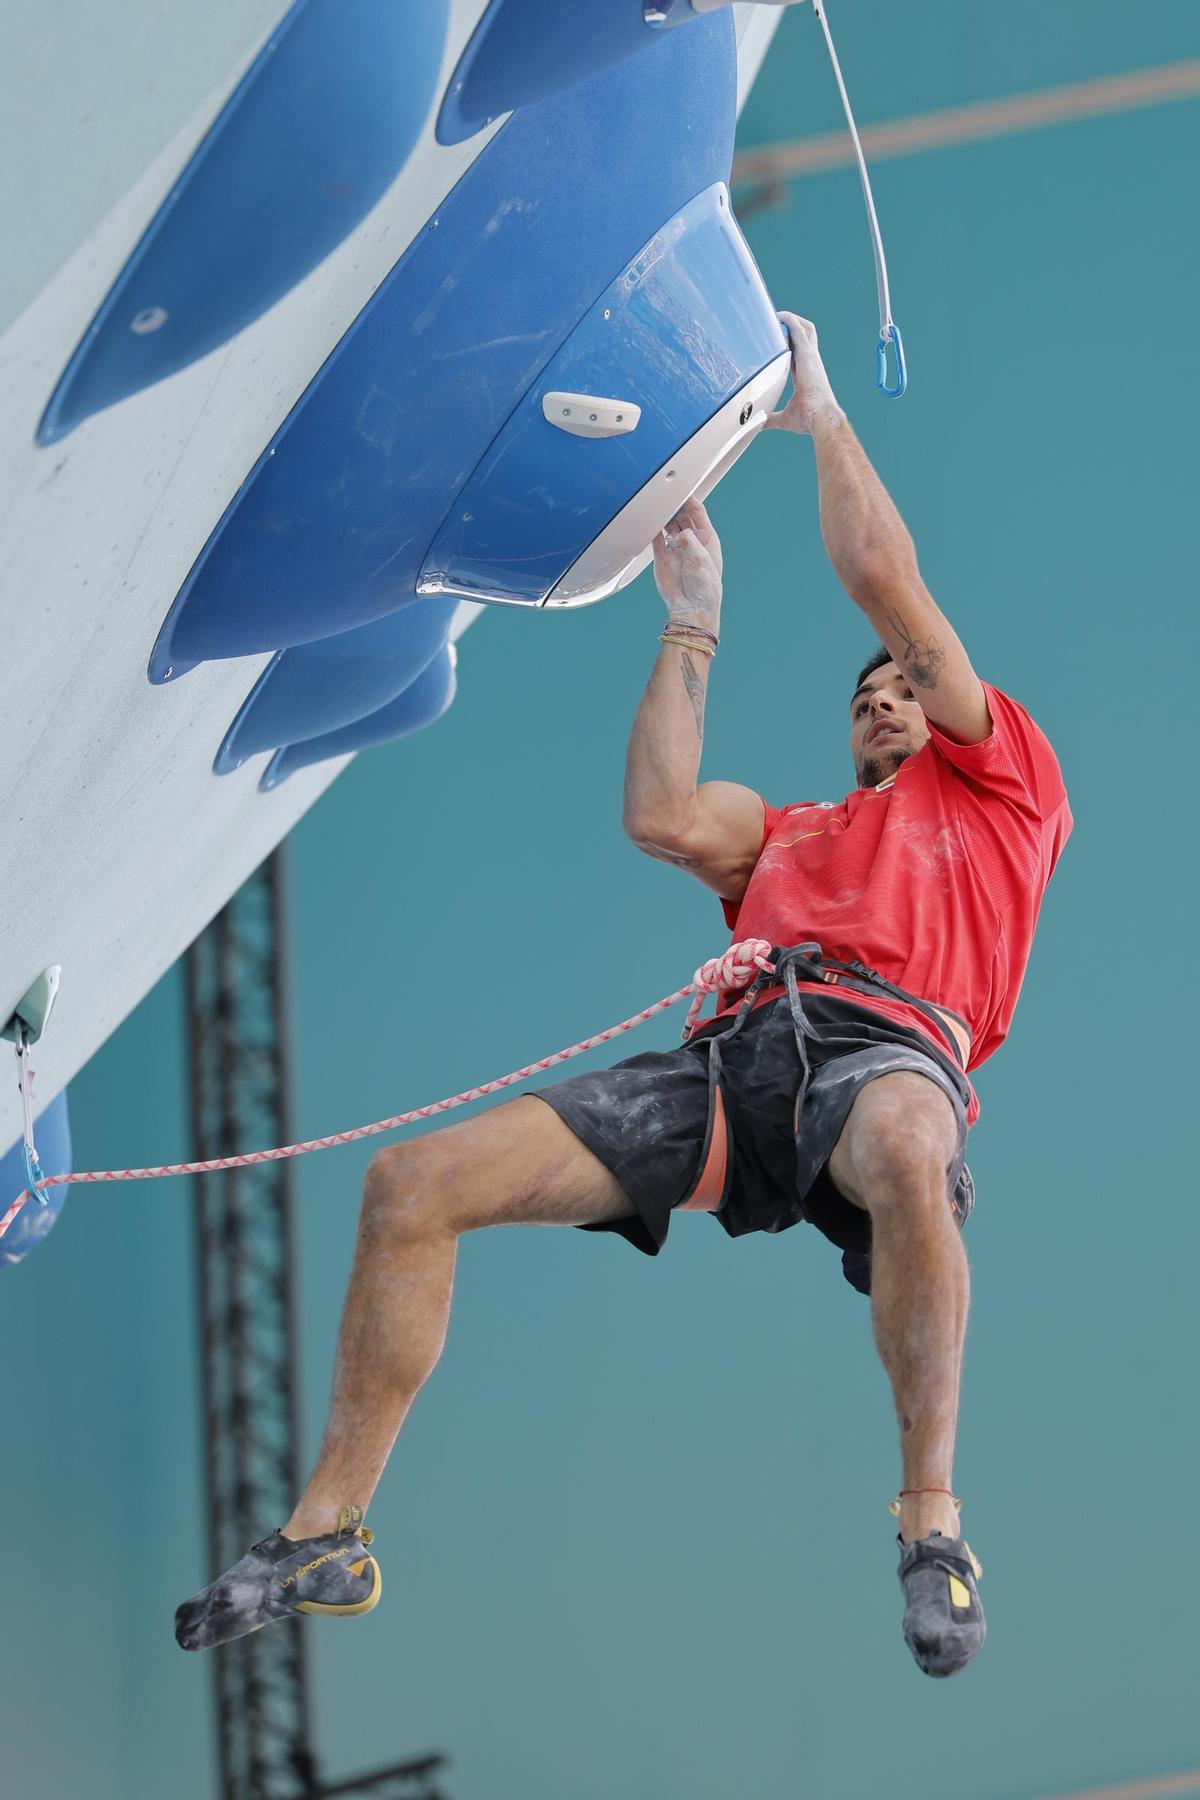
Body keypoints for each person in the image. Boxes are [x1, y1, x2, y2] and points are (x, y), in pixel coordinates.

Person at [175, 314, 1071, 1678]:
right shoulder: (791, 836)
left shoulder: (1003, 783)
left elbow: (883, 573)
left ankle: (932, 1524)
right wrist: (692, 622)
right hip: (733, 1069)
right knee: (413, 1185)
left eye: (906, 684)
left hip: (891, 1051)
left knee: (900, 1144)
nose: (885, 695)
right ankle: (329, 1531)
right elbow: (660, 813)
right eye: (865, 694)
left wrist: (821, 418)